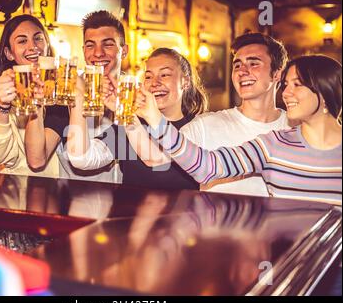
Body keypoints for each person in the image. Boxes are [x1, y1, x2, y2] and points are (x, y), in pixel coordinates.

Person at [138, 54, 342, 205]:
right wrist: (154, 118)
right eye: (286, 84)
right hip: (287, 260)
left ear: (324, 91)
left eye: (297, 85)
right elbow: (206, 167)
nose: (286, 93)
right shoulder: (273, 145)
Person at [67, 48, 207, 189]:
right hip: (128, 210)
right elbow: (81, 159)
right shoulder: (126, 125)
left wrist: (127, 113)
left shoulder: (199, 127)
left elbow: (154, 157)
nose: (155, 83)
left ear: (185, 82)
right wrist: (78, 98)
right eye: (148, 77)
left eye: (164, 75)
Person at [178, 33, 291, 196]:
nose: (242, 71)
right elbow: (160, 167)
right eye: (237, 65)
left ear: (277, 74)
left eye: (253, 63)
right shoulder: (204, 126)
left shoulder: (298, 129)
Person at [25, 10, 129, 183]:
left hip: (123, 204)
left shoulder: (135, 98)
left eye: (108, 44)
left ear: (123, 51)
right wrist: (36, 100)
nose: (98, 53)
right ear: (83, 50)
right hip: (72, 203)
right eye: (90, 45)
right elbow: (37, 159)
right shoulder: (67, 94)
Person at [0, 14, 65, 178]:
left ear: (47, 44)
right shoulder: (0, 98)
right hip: (14, 193)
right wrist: (2, 106)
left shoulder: (61, 93)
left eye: (38, 38)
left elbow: (42, 160)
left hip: (55, 195)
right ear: (9, 53)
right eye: (22, 41)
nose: (32, 46)